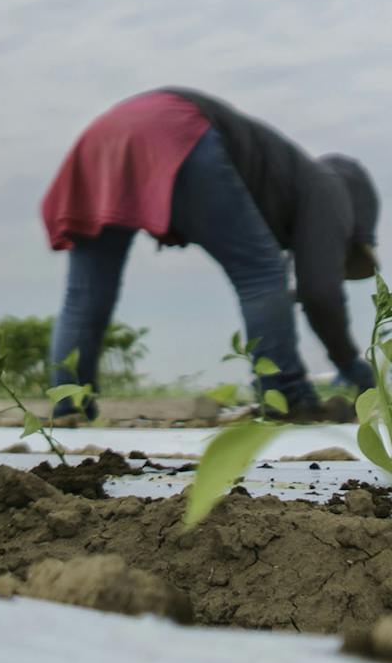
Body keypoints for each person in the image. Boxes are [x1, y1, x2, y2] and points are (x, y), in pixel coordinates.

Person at [42, 89, 378, 420]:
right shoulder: (331, 189)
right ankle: (287, 397)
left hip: (103, 136)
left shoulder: (287, 178)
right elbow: (320, 292)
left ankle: (70, 408)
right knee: (260, 274)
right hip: (176, 131)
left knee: (84, 297)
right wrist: (352, 365)